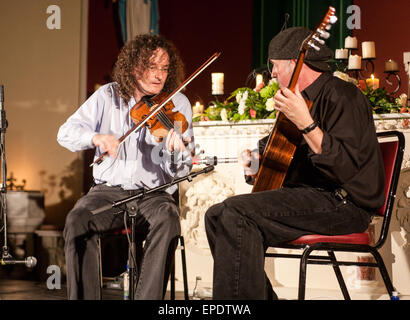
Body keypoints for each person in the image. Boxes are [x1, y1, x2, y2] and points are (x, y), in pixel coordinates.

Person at [205, 27, 385, 299]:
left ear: (295, 62)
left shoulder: (343, 96)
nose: (273, 74)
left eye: (276, 66)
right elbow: (280, 155)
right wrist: (255, 164)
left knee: (236, 213)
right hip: (310, 197)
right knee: (217, 216)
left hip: (345, 203)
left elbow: (343, 168)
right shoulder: (300, 101)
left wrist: (306, 123)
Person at [57, 34, 194, 300]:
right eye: (151, 67)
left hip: (153, 195)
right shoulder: (107, 96)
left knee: (168, 219)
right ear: (133, 66)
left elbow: (181, 172)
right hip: (107, 192)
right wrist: (95, 138)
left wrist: (173, 151)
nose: (159, 76)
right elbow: (65, 133)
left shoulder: (177, 105)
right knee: (78, 220)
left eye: (164, 69)